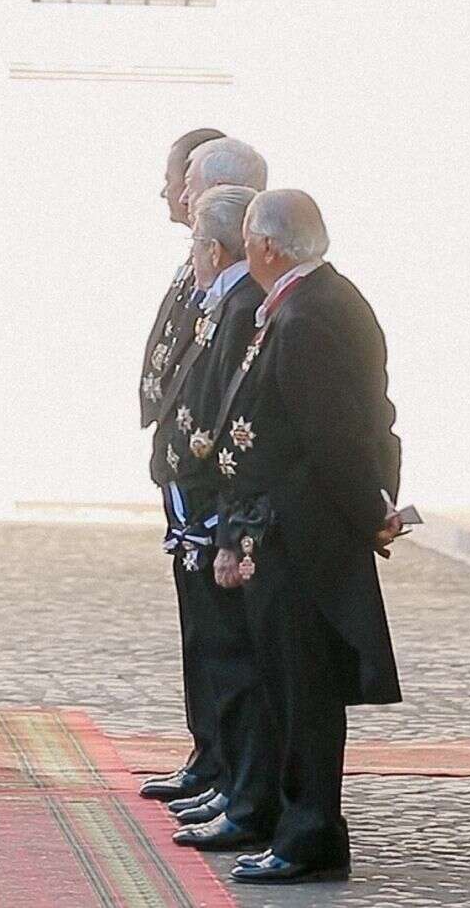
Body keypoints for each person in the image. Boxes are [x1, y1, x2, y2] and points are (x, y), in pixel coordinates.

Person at [214, 190, 402, 884]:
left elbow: (335, 436)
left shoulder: (305, 317)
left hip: (303, 538)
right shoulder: (312, 301)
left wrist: (372, 510)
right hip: (287, 530)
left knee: (303, 697)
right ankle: (301, 826)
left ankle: (309, 834)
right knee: (291, 691)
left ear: (267, 246)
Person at [151, 185, 278, 850]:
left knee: (235, 659)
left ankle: (245, 790)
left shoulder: (240, 306)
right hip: (202, 499)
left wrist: (222, 515)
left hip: (220, 505)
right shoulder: (224, 301)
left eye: (198, 241)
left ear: (215, 246)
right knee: (216, 653)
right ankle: (228, 777)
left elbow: (232, 416)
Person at [137, 127, 225, 803]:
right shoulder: (192, 261)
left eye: (183, 180)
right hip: (180, 469)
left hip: (210, 480)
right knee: (201, 633)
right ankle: (209, 753)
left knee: (223, 637)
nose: (174, 192)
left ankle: (229, 766)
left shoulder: (230, 279)